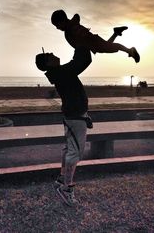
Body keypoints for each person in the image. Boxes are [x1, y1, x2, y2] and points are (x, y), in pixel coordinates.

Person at [35, 47, 93, 207]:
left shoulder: (60, 72)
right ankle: (66, 189)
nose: (53, 53)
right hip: (75, 118)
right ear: (48, 62)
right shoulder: (62, 72)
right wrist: (78, 43)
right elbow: (83, 61)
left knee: (68, 149)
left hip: (72, 117)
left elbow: (78, 63)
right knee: (75, 153)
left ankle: (62, 178)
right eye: (49, 55)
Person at [51, 9, 140, 63]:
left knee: (110, 47)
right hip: (92, 42)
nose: (57, 28)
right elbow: (76, 17)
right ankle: (116, 33)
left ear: (62, 21)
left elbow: (79, 41)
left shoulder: (70, 30)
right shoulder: (71, 27)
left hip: (93, 41)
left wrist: (78, 54)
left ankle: (130, 50)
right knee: (107, 46)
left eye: (57, 25)